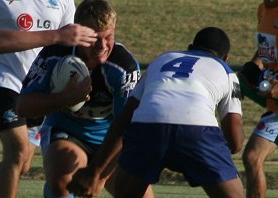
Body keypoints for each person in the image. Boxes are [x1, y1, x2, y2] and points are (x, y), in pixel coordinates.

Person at [70, 26, 245, 198]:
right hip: (197, 129)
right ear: (226, 58)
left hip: (147, 125)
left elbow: (124, 119)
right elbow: (235, 142)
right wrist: (208, 154)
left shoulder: (161, 60)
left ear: (190, 48)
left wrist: (95, 171)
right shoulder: (226, 71)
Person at [16, 0, 154, 197]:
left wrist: (99, 176)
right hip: (67, 132)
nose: (102, 46)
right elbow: (23, 107)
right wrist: (63, 98)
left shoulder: (123, 67)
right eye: (94, 38)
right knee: (63, 184)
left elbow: (127, 128)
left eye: (109, 37)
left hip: (111, 140)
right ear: (79, 33)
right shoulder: (54, 54)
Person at [0, 0, 87, 197]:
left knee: (23, 164)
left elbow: (70, 42)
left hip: (37, 88)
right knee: (17, 151)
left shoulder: (64, 2)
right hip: (3, 79)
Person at [241, 1, 278, 197]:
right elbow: (266, 45)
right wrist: (254, 66)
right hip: (275, 106)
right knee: (252, 157)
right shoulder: (264, 9)